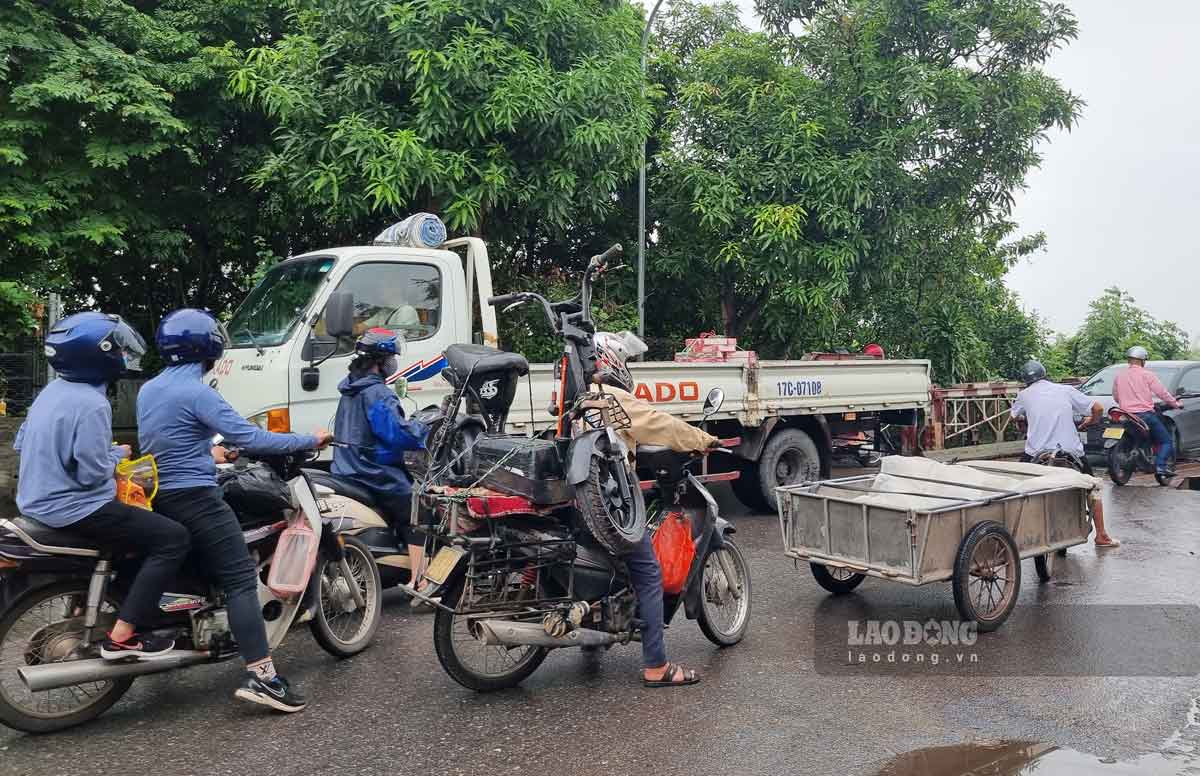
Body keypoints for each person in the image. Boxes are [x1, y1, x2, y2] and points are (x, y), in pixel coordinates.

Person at [137, 308, 332, 713]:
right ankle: (264, 679)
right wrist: (308, 439)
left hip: (161, 494)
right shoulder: (198, 392)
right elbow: (252, 436)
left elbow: (173, 444)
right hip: (195, 496)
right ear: (209, 347)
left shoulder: (149, 389)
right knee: (240, 579)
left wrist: (214, 454)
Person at [15, 312, 191, 659]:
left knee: (138, 534)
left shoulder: (53, 391)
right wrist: (115, 456)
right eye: (120, 350)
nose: (125, 356)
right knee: (173, 538)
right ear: (100, 354)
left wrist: (98, 453)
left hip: (34, 501)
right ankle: (124, 636)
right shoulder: (93, 403)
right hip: (74, 508)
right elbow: (92, 475)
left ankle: (110, 605)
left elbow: (22, 443)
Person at [592, 331, 719, 687]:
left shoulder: (576, 398)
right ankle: (656, 666)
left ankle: (591, 639)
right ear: (611, 360)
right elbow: (659, 424)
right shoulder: (611, 398)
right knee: (649, 574)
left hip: (578, 502)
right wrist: (702, 439)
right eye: (625, 361)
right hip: (610, 504)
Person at [329, 328, 429, 602]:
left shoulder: (349, 389)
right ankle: (421, 584)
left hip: (346, 469)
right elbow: (397, 434)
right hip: (374, 473)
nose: (393, 363)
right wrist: (424, 430)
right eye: (391, 358)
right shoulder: (378, 393)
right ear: (380, 361)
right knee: (419, 513)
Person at [1011, 359, 1118, 547]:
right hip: (1069, 450)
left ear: (1026, 380)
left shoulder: (1023, 395)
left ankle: (1014, 536)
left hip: (1037, 452)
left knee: (1016, 487)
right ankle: (1101, 535)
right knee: (1092, 488)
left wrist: (1022, 422)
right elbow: (1098, 408)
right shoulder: (1065, 390)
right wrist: (1091, 421)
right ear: (1045, 375)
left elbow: (1015, 416)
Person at [1112, 345, 1182, 478]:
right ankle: (1161, 466)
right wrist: (1175, 403)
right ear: (1143, 360)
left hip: (1126, 415)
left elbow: (1116, 397)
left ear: (1129, 360)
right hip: (1145, 415)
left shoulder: (1119, 376)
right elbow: (1162, 393)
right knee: (1166, 441)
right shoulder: (1147, 374)